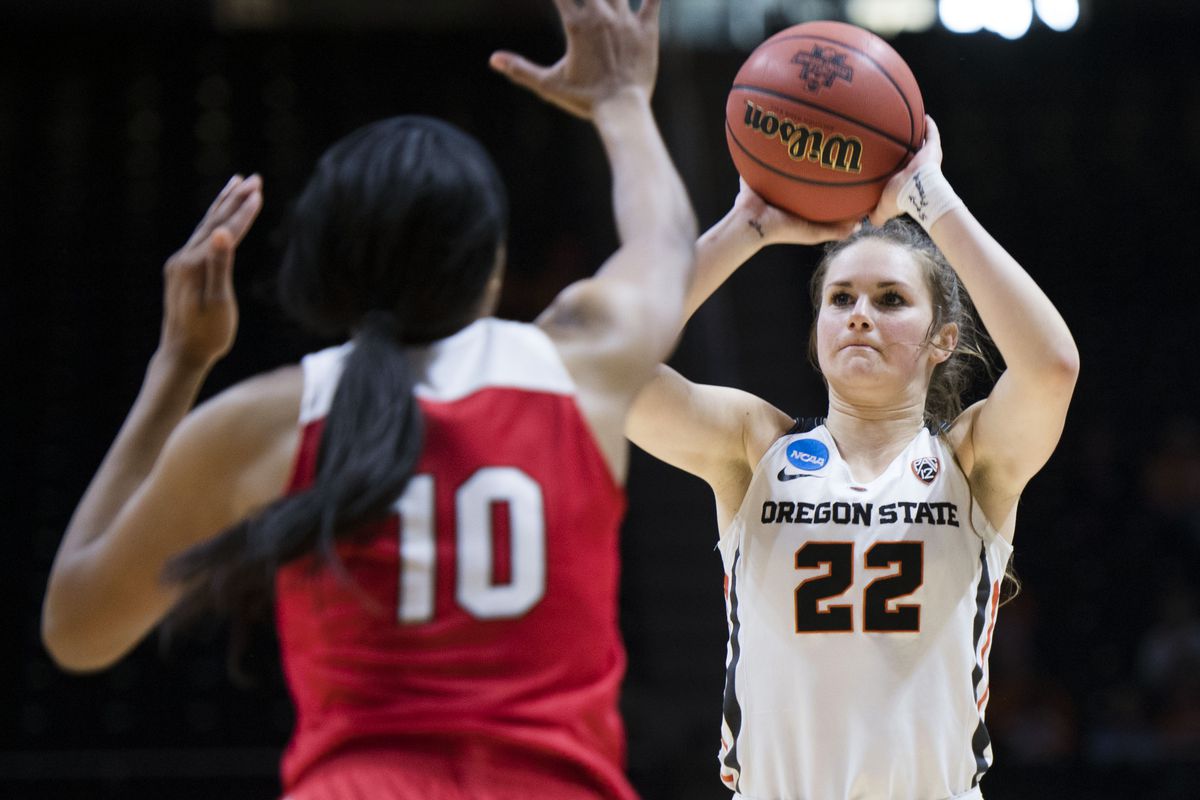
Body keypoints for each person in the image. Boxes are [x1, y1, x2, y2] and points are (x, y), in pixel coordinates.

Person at [40, 1, 696, 798]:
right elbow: (661, 244)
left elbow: (76, 630)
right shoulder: (582, 364)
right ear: (490, 264)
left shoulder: (269, 420)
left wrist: (179, 364)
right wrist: (621, 99)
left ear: (325, 267)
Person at [626, 116, 1079, 799]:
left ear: (942, 340)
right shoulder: (757, 447)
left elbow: (1051, 367)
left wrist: (933, 199)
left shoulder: (970, 462)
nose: (860, 313)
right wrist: (744, 229)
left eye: (891, 299)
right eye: (841, 299)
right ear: (817, 334)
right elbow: (609, 370)